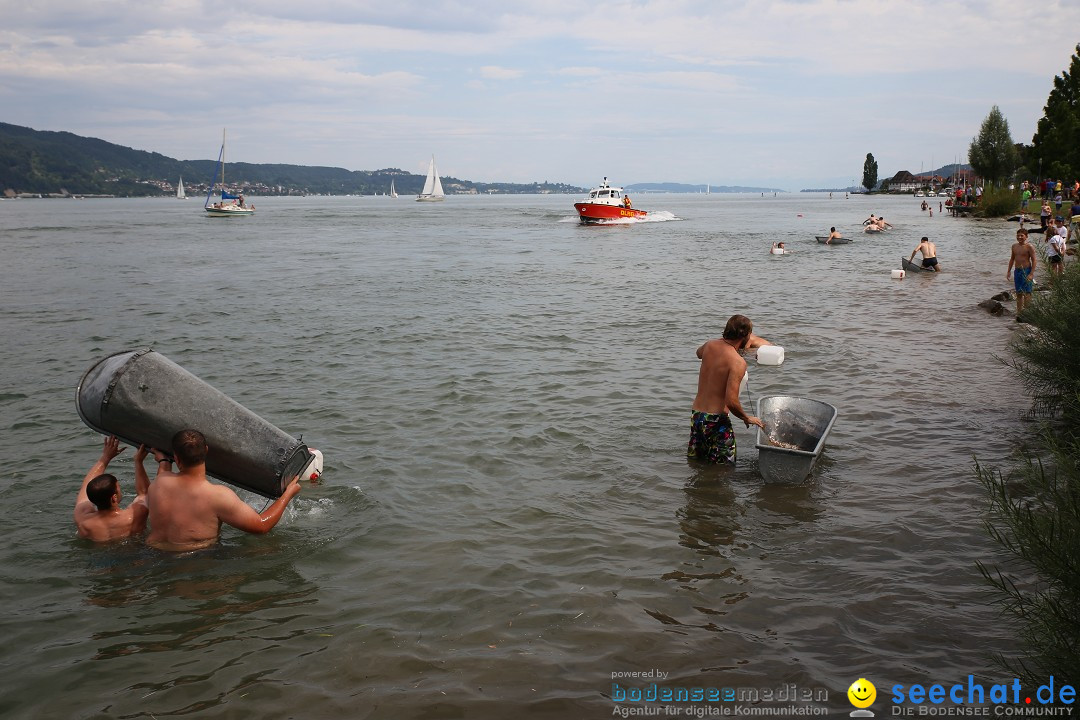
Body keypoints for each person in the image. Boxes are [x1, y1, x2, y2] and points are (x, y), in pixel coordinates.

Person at [146, 429, 302, 551]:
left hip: (152, 551)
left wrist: (164, 460)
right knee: (267, 550)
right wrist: (288, 493)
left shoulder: (158, 483)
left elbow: (165, 474)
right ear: (206, 450)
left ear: (177, 458)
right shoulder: (217, 496)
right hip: (196, 558)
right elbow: (261, 526)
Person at [688, 315, 765, 464]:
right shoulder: (737, 363)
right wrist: (746, 417)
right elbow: (731, 401)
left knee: (697, 461)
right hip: (716, 420)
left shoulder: (709, 345)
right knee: (724, 467)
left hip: (697, 416)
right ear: (746, 335)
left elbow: (699, 353)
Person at [74, 435, 157, 542]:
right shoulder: (133, 516)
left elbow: (86, 485)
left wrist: (105, 457)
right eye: (118, 488)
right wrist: (138, 461)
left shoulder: (83, 520)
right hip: (135, 554)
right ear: (114, 498)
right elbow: (144, 493)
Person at [1007, 228, 1038, 320]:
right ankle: (1019, 313)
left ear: (1026, 237)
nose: (1019, 237)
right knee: (1019, 293)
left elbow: (1034, 260)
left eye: (1022, 236)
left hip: (1027, 271)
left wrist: (1031, 273)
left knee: (1027, 292)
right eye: (1018, 235)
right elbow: (1012, 259)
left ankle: (1027, 312)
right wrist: (1008, 271)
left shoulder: (1029, 247)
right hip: (1017, 271)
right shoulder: (1014, 246)